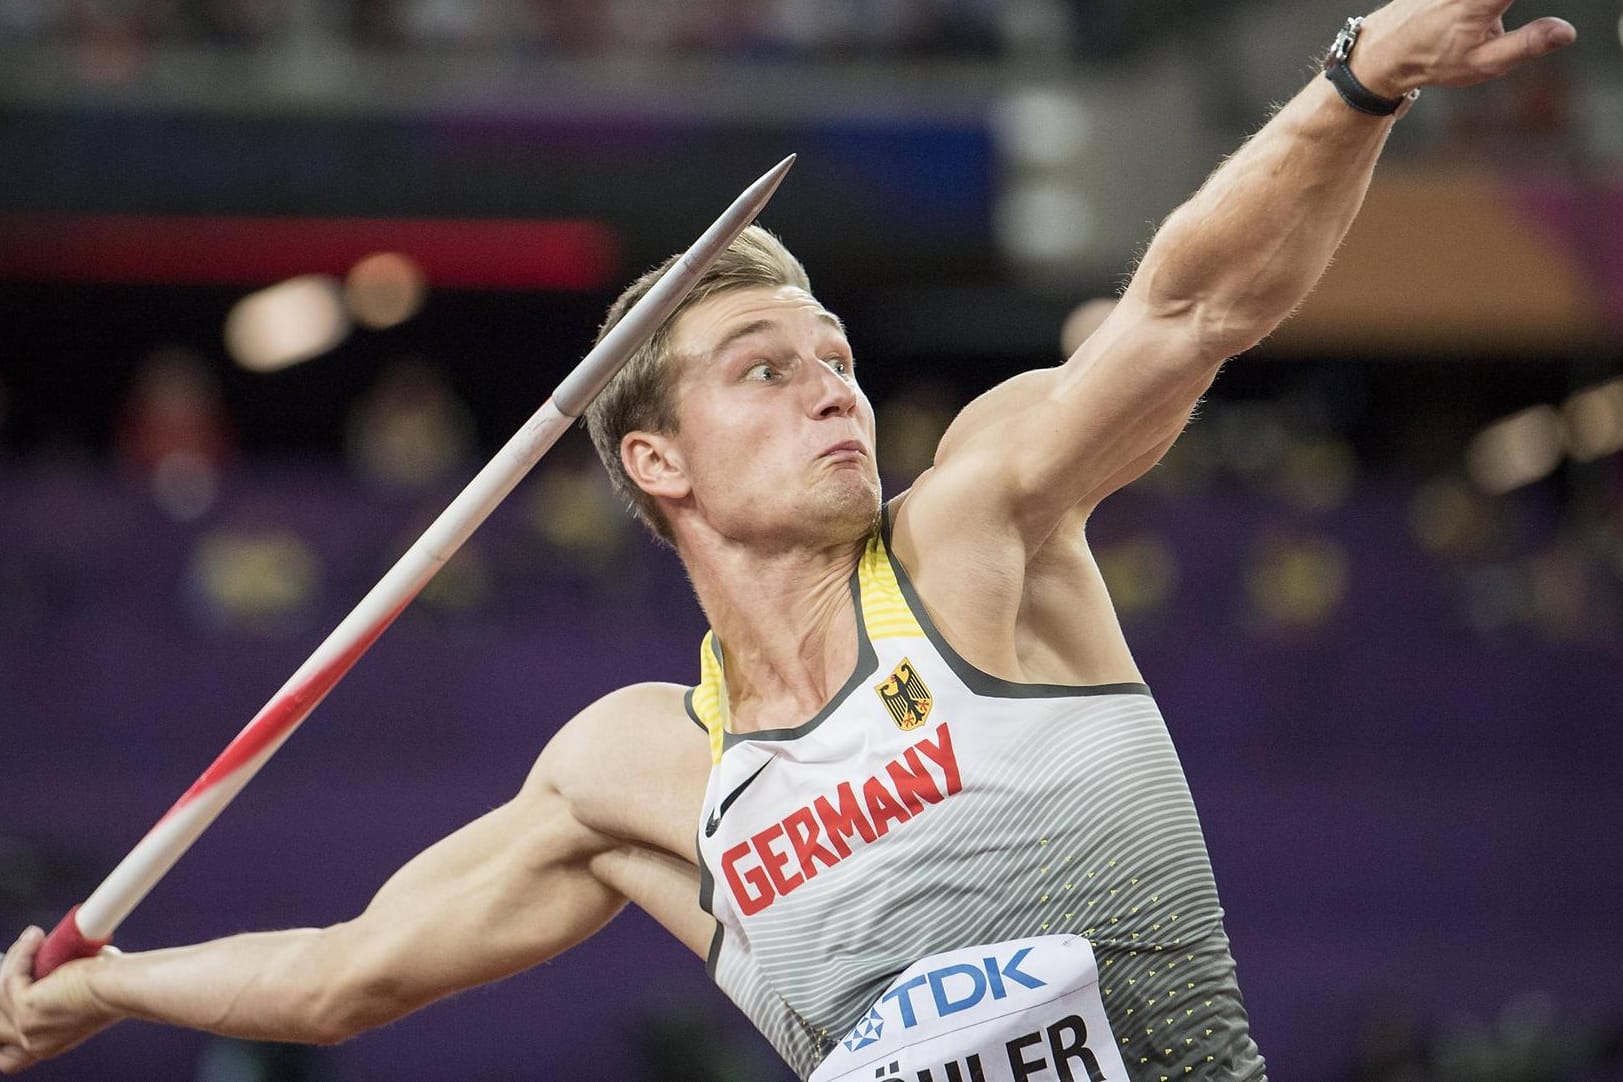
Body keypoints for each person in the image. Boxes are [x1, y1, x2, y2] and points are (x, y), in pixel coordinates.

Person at [0, 1, 1575, 1078]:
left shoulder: (973, 538)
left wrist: (1356, 77)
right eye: (769, 368)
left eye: (835, 352)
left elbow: (1192, 303)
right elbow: (351, 971)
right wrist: (107, 983)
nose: (835, 387)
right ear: (655, 459)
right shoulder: (635, 774)